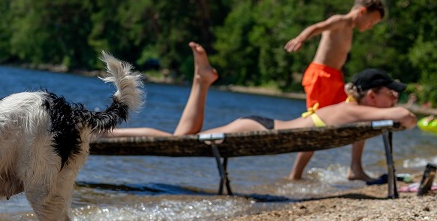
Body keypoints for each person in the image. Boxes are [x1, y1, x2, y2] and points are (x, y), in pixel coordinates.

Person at [103, 42, 416, 146]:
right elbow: (404, 117)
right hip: (258, 128)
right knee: (178, 141)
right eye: (392, 93)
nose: (396, 100)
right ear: (372, 96)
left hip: (264, 126)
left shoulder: (352, 109)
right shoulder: (354, 110)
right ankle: (106, 134)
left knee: (183, 137)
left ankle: (203, 81)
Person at [284, 0, 386, 181]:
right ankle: (295, 175)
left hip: (334, 78)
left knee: (360, 116)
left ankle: (355, 168)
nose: (371, 26)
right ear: (362, 11)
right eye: (372, 21)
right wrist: (301, 38)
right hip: (320, 77)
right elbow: (317, 26)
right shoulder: (340, 21)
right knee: (316, 126)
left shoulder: (350, 28)